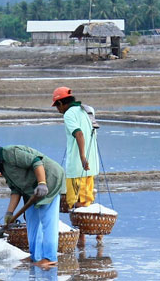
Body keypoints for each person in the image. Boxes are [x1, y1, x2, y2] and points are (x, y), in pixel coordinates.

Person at [0, 138, 65, 268]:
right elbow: (15, 190)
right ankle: (36, 255)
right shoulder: (3, 166)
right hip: (31, 190)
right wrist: (9, 213)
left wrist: (42, 183)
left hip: (49, 180)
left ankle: (50, 257)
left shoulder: (11, 153)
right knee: (31, 220)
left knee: (47, 220)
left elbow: (36, 161)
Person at [51, 86, 102, 245]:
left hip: (78, 166)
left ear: (60, 103)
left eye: (57, 106)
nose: (58, 110)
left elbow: (78, 134)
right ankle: (98, 235)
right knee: (87, 199)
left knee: (76, 202)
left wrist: (81, 156)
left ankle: (81, 238)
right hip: (91, 165)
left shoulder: (69, 114)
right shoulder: (87, 110)